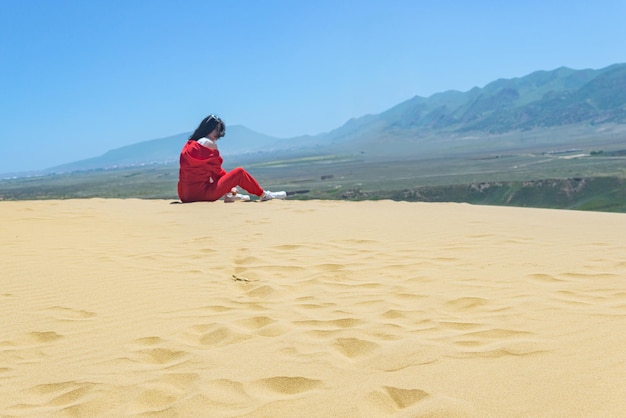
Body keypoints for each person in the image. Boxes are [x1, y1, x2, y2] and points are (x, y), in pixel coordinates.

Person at [177, 114, 287, 203]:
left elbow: (212, 172)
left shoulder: (190, 145)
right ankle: (264, 195)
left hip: (184, 195)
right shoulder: (208, 143)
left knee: (217, 178)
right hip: (200, 195)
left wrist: (228, 188)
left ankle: (229, 195)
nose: (218, 135)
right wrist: (230, 185)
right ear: (212, 129)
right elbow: (217, 171)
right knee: (239, 173)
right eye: (217, 130)